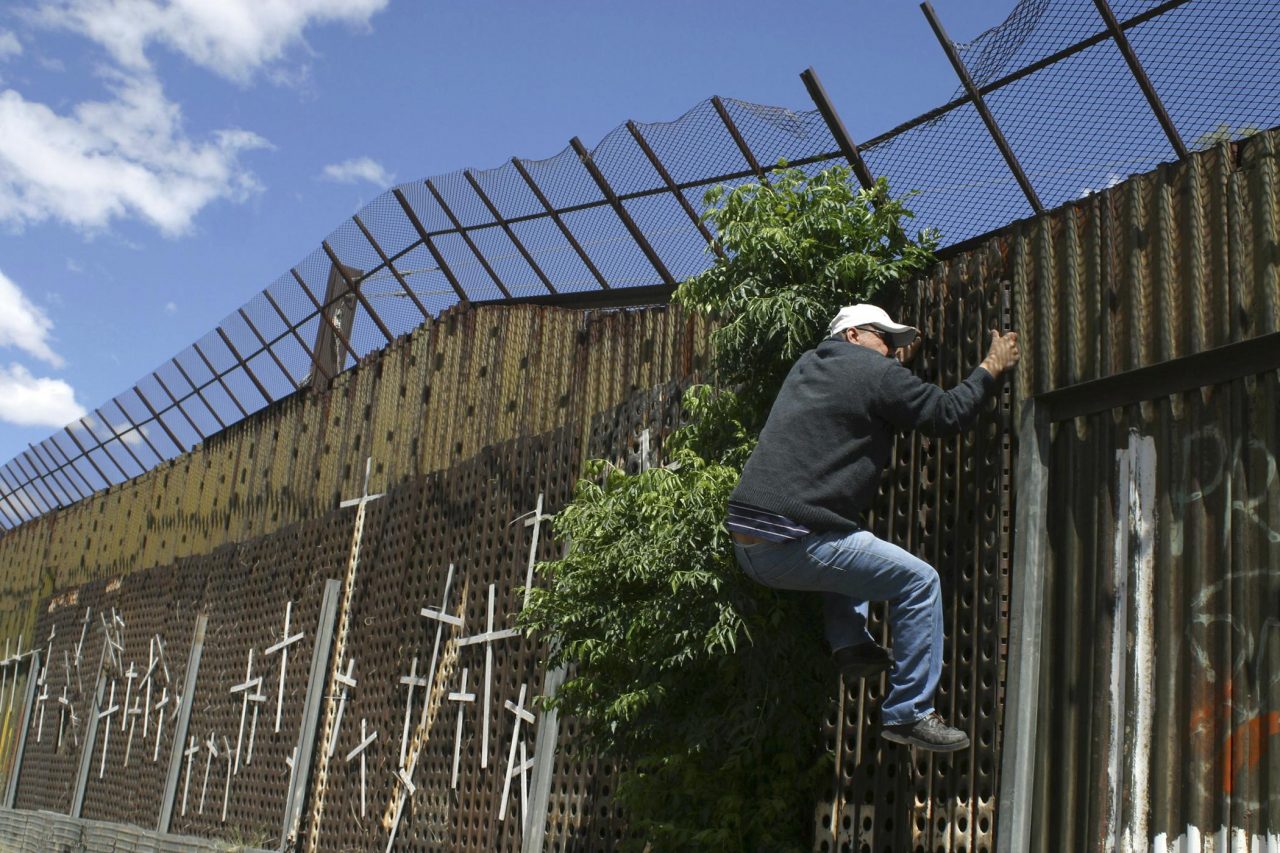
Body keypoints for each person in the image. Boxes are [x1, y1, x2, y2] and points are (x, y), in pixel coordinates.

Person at [726, 303, 1020, 751]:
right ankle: (909, 714)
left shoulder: (808, 364)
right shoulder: (874, 372)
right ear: (852, 335)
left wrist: (894, 352)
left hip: (752, 543)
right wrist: (990, 366)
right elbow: (944, 414)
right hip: (789, 544)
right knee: (920, 582)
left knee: (845, 539)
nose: (889, 351)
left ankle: (851, 645)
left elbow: (873, 381)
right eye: (883, 338)